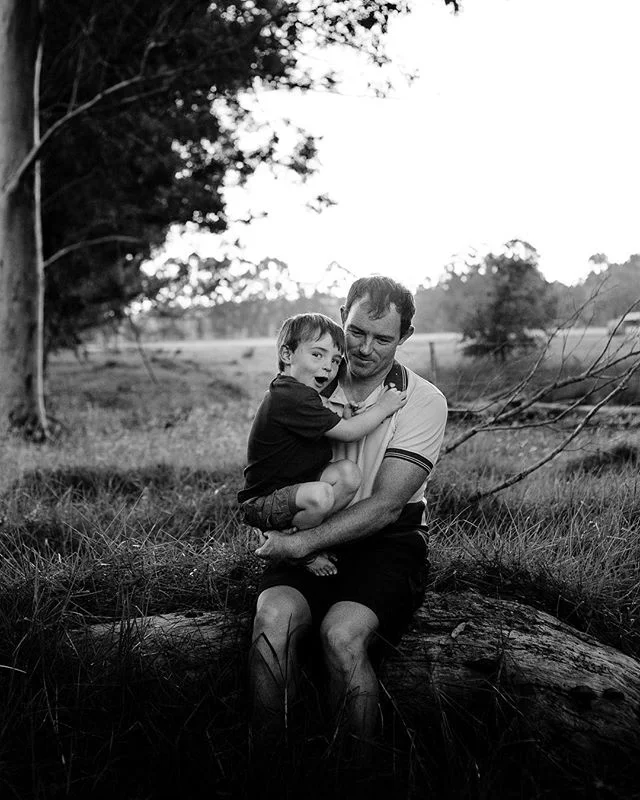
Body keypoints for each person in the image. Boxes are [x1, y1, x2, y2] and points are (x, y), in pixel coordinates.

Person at [248, 276, 448, 773]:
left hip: (387, 541)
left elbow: (386, 506)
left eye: (382, 338)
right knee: (273, 620)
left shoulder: (421, 400)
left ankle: (356, 774)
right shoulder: (308, 383)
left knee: (341, 636)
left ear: (405, 336)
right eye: (356, 332)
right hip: (309, 531)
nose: (363, 348)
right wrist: (285, 529)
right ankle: (271, 767)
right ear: (342, 316)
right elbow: (271, 475)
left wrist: (301, 546)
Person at [238, 312, 408, 576]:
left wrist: (347, 413)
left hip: (296, 490)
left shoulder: (301, 393)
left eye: (336, 360)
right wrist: (384, 407)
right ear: (287, 354)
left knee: (348, 475)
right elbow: (349, 433)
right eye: (317, 355)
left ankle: (295, 535)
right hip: (264, 501)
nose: (328, 367)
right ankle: (301, 551)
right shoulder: (290, 396)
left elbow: (334, 421)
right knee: (320, 496)